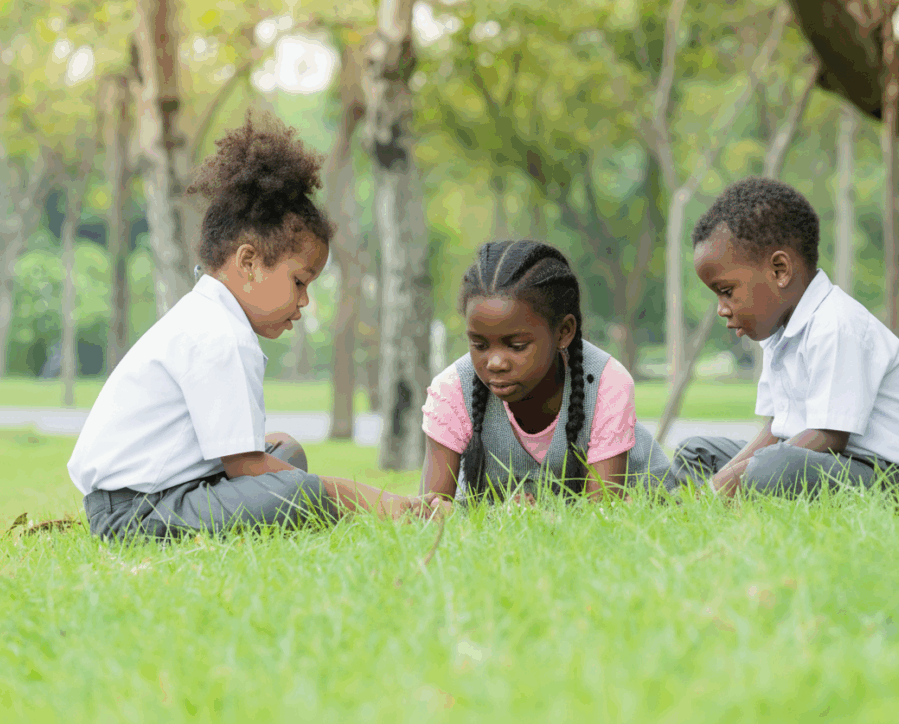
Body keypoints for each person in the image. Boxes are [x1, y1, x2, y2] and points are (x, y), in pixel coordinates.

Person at [68, 111, 440, 540]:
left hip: (156, 494)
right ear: (248, 262)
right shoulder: (219, 334)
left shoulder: (210, 316)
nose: (304, 302)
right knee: (301, 493)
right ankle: (351, 509)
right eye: (299, 282)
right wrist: (378, 501)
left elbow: (246, 457)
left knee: (286, 450)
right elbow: (245, 467)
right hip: (137, 512)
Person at [675, 176, 899, 499]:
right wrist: (719, 482)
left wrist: (723, 486)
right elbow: (776, 429)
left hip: (880, 477)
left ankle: (726, 500)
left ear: (780, 270)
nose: (721, 309)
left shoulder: (836, 324)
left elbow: (828, 436)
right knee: (696, 452)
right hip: (813, 460)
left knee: (770, 467)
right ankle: (697, 503)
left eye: (727, 292)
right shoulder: (779, 334)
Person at [419, 239, 677, 503]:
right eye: (479, 345)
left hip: (648, 501)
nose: (495, 362)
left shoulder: (605, 382)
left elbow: (603, 511)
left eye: (517, 346)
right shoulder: (453, 389)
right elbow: (432, 510)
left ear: (564, 332)